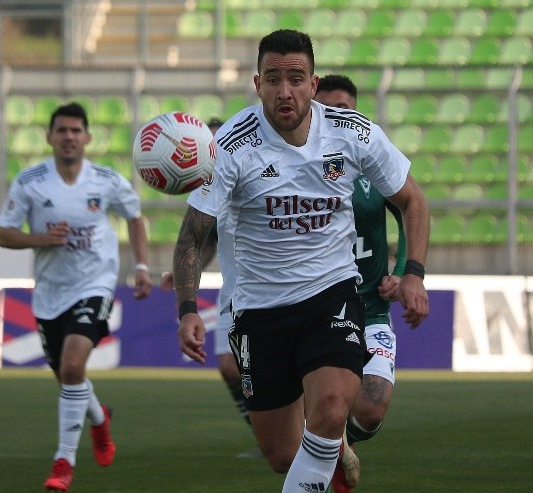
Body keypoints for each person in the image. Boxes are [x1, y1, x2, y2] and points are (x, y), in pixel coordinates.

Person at [172, 30, 429, 493]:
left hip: (332, 294)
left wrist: (413, 273)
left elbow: (413, 200)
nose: (284, 91)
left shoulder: (351, 132)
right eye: (273, 79)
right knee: (283, 455)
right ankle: (332, 451)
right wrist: (187, 308)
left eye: (296, 79)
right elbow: (192, 235)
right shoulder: (231, 145)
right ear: (258, 85)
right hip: (260, 309)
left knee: (330, 409)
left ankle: (331, 439)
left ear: (313, 85)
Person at [0, 102, 153, 492]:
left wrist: (141, 267)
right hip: (50, 293)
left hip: (95, 284)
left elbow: (135, 217)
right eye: (62, 130)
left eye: (75, 130)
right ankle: (100, 419)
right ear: (49, 137)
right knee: (70, 377)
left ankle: (64, 462)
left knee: (71, 367)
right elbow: (4, 233)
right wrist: (40, 238)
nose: (69, 137)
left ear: (87, 137)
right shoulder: (30, 182)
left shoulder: (106, 180)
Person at [314, 74, 407, 492]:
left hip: (371, 308)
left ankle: (333, 443)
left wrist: (403, 271)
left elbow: (408, 209)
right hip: (318, 308)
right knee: (321, 408)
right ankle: (328, 447)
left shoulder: (372, 160)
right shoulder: (300, 165)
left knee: (371, 407)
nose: (336, 116)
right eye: (327, 108)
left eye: (345, 110)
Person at [160, 118, 254, 433]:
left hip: (267, 290)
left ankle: (304, 437)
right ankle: (268, 435)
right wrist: (184, 273)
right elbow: (206, 241)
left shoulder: (247, 175)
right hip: (233, 292)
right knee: (229, 367)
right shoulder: (210, 191)